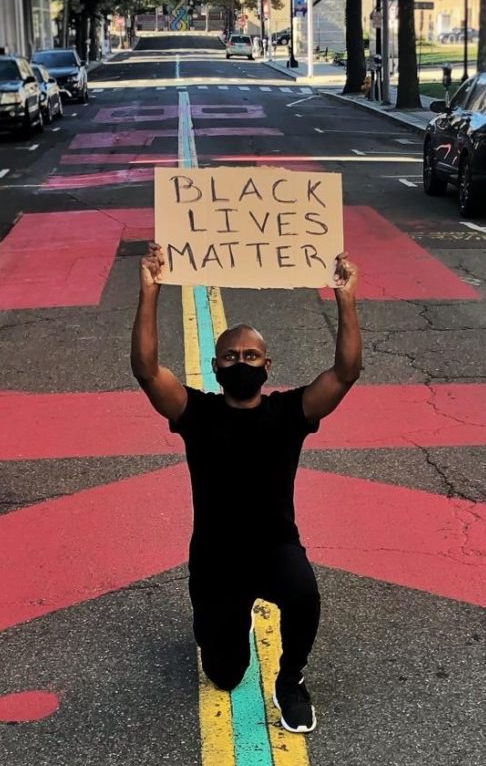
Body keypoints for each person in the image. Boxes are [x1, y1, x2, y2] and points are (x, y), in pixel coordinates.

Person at [130, 243, 362, 734]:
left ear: (267, 365)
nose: (241, 361)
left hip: (275, 547)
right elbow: (147, 371)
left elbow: (346, 373)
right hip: (215, 558)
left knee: (304, 594)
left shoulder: (288, 413)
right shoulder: (196, 413)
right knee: (224, 674)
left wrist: (345, 297)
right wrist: (150, 292)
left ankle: (291, 679)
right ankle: (219, 625)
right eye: (231, 356)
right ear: (215, 368)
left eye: (250, 355)